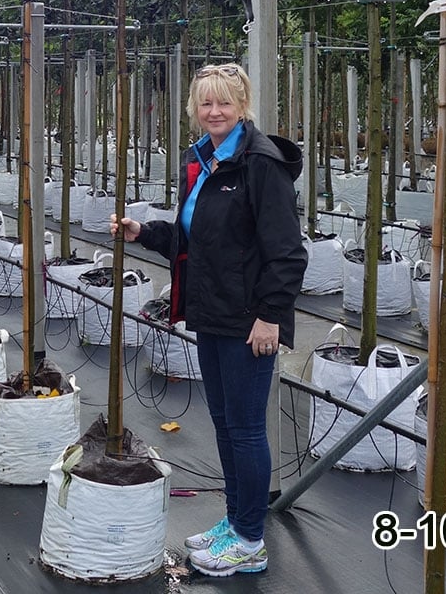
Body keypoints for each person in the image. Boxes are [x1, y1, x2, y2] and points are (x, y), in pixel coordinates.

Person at [110, 62, 307, 578]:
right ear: (194, 109)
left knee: (245, 430)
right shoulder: (203, 162)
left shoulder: (260, 165)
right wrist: (142, 232)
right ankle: (234, 521)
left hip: (247, 321)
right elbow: (192, 238)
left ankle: (249, 539)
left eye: (224, 102)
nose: (213, 111)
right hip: (213, 313)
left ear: (242, 106)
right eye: (205, 103)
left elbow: (287, 254)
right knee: (223, 424)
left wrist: (270, 318)